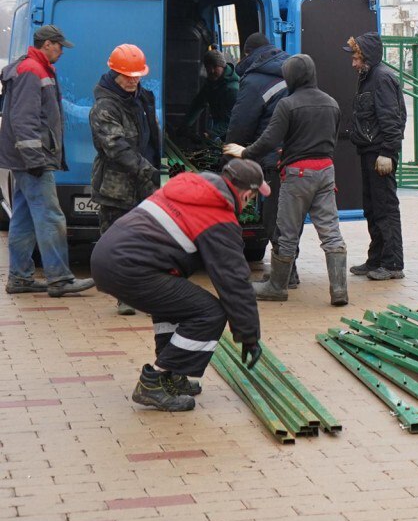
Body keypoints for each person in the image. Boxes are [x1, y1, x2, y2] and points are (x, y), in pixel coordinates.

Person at [90, 158, 267, 412]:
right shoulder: (218, 214)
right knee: (210, 312)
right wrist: (249, 336)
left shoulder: (190, 188)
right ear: (248, 194)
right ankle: (154, 382)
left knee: (178, 303)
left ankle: (171, 374)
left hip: (107, 257)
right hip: (130, 267)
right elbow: (234, 281)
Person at [223, 54, 347, 306]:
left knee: (287, 231)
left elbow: (270, 139)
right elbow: (331, 138)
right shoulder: (332, 103)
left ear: (292, 77)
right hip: (325, 170)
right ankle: (339, 290)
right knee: (330, 231)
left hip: (297, 174)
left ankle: (277, 286)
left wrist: (244, 152)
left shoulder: (288, 104)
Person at [0, 25, 94, 297]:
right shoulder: (33, 71)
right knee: (51, 217)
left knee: (24, 218)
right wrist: (34, 159)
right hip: (32, 160)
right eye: (60, 46)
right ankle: (60, 279)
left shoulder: (32, 68)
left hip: (24, 159)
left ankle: (20, 278)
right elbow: (24, 120)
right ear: (48, 44)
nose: (62, 51)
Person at [89, 44, 162, 315]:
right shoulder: (104, 107)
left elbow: (152, 136)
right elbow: (116, 147)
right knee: (115, 243)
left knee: (145, 242)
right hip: (116, 188)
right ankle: (122, 296)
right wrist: (147, 170)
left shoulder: (143, 97)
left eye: (137, 75)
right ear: (114, 71)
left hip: (145, 184)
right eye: (127, 75)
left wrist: (159, 168)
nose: (132, 80)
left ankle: (141, 292)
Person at [343, 32, 407, 281]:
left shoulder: (381, 79)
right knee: (372, 208)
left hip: (380, 153)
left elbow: (392, 119)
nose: (353, 63)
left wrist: (387, 153)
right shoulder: (369, 77)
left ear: (366, 57)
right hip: (370, 151)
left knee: (385, 208)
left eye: (356, 58)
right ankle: (376, 259)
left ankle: (392, 264)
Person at [226, 33, 290, 277]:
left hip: (272, 157)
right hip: (297, 156)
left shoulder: (253, 79)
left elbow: (241, 123)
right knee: (290, 217)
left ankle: (283, 277)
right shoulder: (295, 68)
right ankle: (287, 270)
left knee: (273, 217)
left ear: (246, 54)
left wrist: (230, 156)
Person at [180, 49, 238, 142]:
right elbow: (198, 103)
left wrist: (210, 134)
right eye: (208, 67)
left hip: (234, 135)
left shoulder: (232, 89)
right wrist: (185, 125)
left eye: (215, 66)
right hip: (221, 131)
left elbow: (230, 121)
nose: (211, 70)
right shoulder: (211, 83)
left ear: (222, 66)